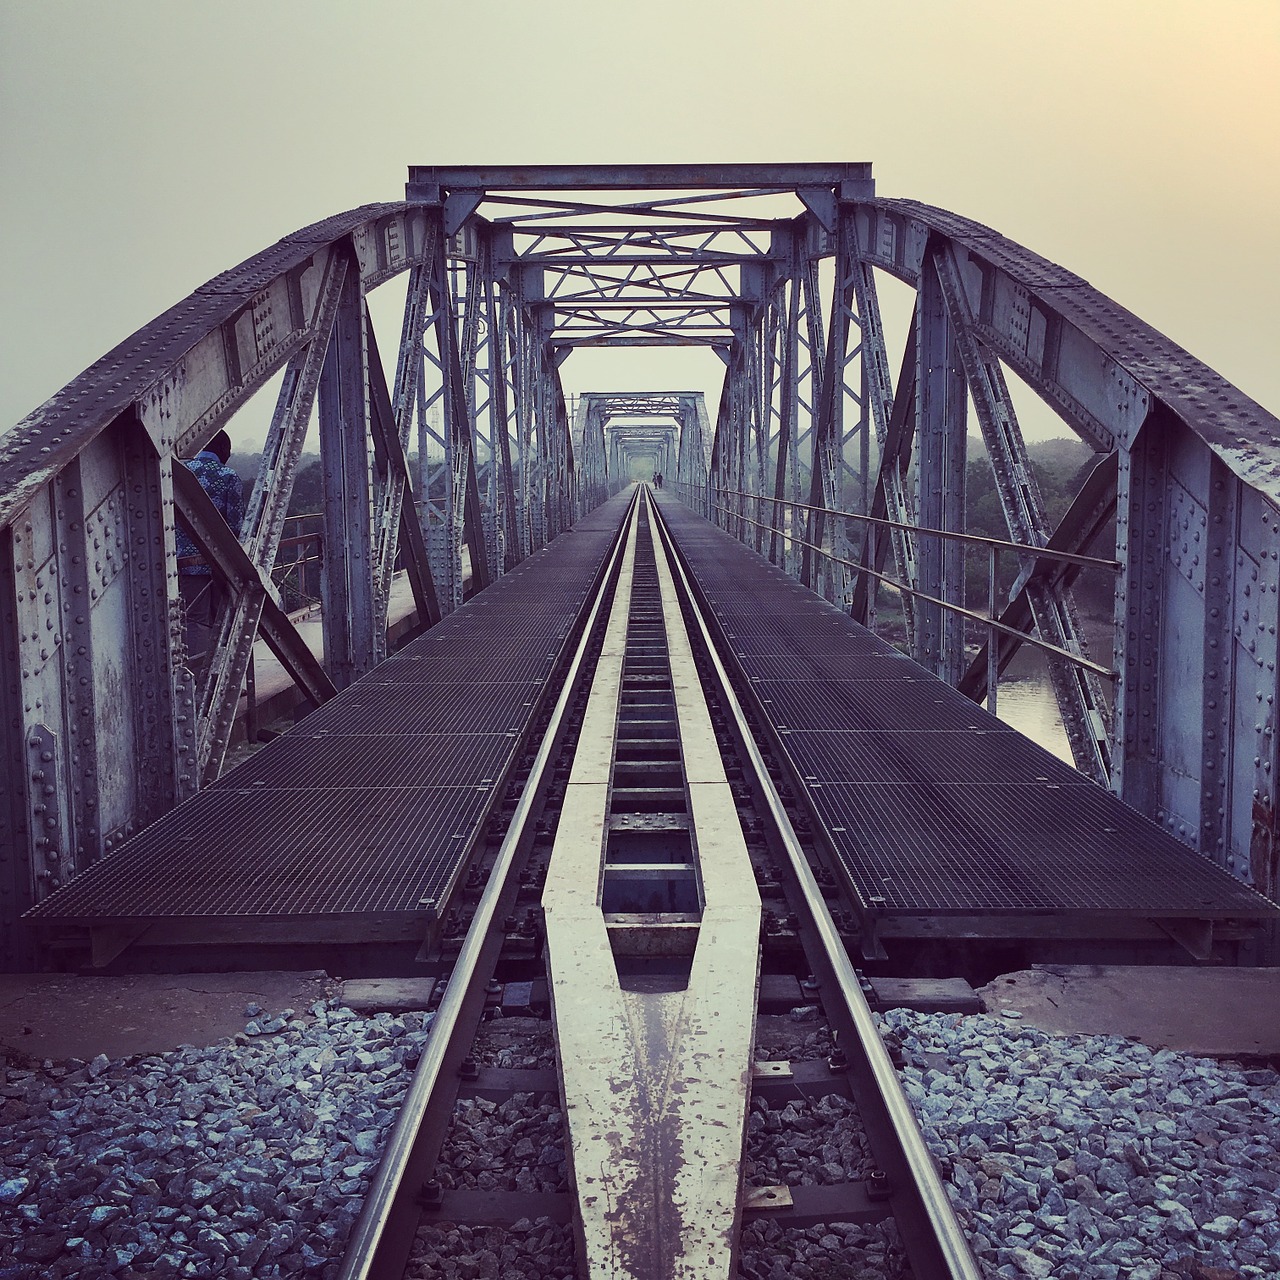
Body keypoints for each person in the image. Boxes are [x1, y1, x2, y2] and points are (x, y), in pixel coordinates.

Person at [177, 429, 244, 662]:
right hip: (220, 565)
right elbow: (236, 526)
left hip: (182, 564)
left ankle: (193, 682)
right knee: (223, 620)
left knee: (193, 619)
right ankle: (217, 679)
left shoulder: (180, 472)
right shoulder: (228, 477)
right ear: (223, 449)